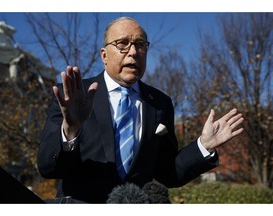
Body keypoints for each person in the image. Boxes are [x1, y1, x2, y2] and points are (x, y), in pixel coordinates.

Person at [37, 16, 244, 203]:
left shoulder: (160, 104)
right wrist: (70, 129)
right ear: (104, 55)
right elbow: (48, 167)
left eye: (140, 45)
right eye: (122, 44)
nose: (134, 52)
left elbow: (168, 173)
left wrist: (203, 146)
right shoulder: (74, 96)